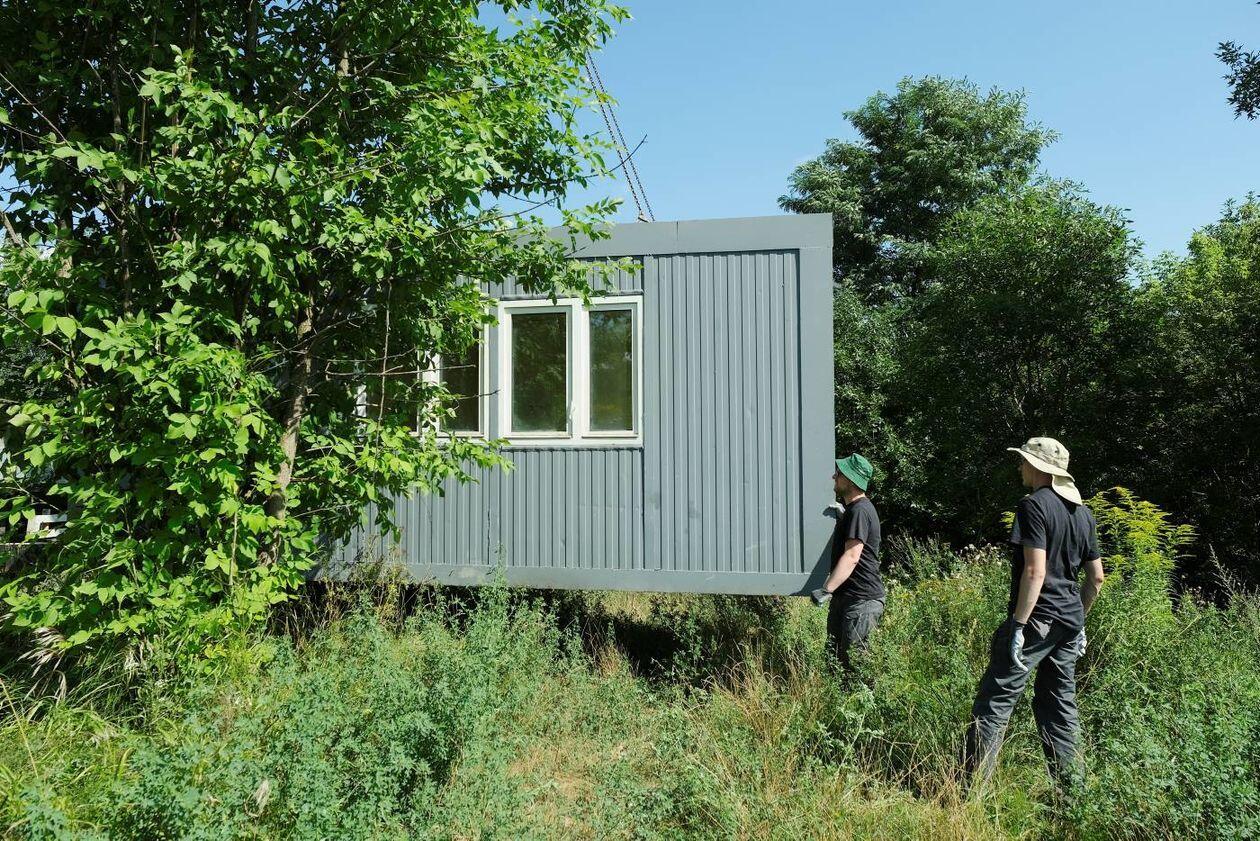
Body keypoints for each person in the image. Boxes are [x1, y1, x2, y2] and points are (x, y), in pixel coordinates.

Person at [963, 437, 1106, 790]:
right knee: (1060, 708)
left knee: (995, 702)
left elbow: (1035, 571)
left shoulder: (1032, 506)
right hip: (1069, 623)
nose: (1020, 467)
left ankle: (969, 793)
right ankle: (1072, 795)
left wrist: (1018, 625)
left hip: (1036, 622)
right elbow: (1097, 577)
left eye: (1024, 461)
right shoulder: (1083, 514)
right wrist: (1079, 621)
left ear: (1037, 467)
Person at [812, 453, 886, 670]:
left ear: (851, 480)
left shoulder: (860, 511)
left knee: (855, 664)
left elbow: (853, 556)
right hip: (847, 598)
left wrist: (826, 589)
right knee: (834, 661)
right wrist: (843, 515)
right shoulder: (854, 510)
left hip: (861, 600)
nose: (834, 476)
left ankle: (862, 693)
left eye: (839, 473)